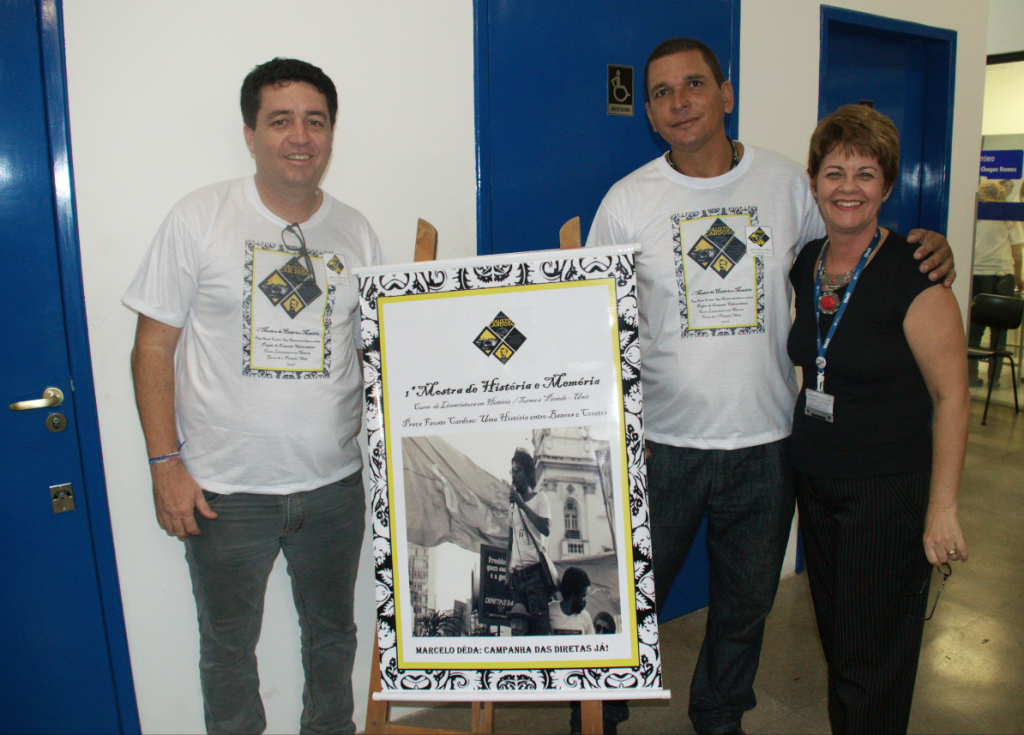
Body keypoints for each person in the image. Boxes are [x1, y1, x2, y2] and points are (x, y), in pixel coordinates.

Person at [586, 37, 955, 735]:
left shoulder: (787, 183)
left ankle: (720, 714)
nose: (679, 102)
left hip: (770, 444)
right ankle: (599, 709)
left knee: (746, 604)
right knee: (627, 597)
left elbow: (854, 241)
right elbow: (595, 319)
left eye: (694, 84)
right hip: (661, 444)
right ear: (650, 114)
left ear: (726, 94)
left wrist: (927, 248)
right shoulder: (627, 201)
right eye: (662, 93)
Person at [123, 58, 383, 734]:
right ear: (250, 134)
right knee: (228, 649)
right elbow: (152, 347)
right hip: (224, 491)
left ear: (331, 133)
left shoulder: (356, 231)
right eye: (280, 121)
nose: (300, 137)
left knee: (335, 636)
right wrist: (164, 464)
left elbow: (370, 352)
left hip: (333, 486)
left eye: (315, 121)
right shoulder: (199, 217)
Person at [787, 104, 970, 734]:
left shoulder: (915, 273)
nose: (849, 187)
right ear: (815, 181)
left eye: (866, 174)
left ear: (887, 186)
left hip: (885, 491)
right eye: (835, 172)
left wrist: (942, 508)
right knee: (842, 646)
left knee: (875, 658)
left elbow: (952, 398)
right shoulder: (807, 261)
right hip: (816, 480)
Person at [555, 569, 631, 735]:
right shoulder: (550, 613)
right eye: (583, 596)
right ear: (573, 596)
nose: (585, 601)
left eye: (605, 630)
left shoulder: (585, 618)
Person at [969, 179, 1024, 387]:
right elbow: (1017, 252)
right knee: (999, 332)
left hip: (976, 276)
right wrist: (1018, 277)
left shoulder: (975, 215)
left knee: (974, 329)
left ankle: (971, 376)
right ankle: (994, 379)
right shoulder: (1009, 216)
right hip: (1002, 276)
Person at [505, 447, 552, 635]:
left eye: (518, 470)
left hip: (535, 576)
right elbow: (510, 542)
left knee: (538, 628)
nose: (514, 476)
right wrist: (508, 571)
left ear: (528, 473)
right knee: (519, 630)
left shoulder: (540, 498)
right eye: (512, 471)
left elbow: (545, 528)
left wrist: (522, 504)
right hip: (517, 577)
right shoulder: (512, 504)